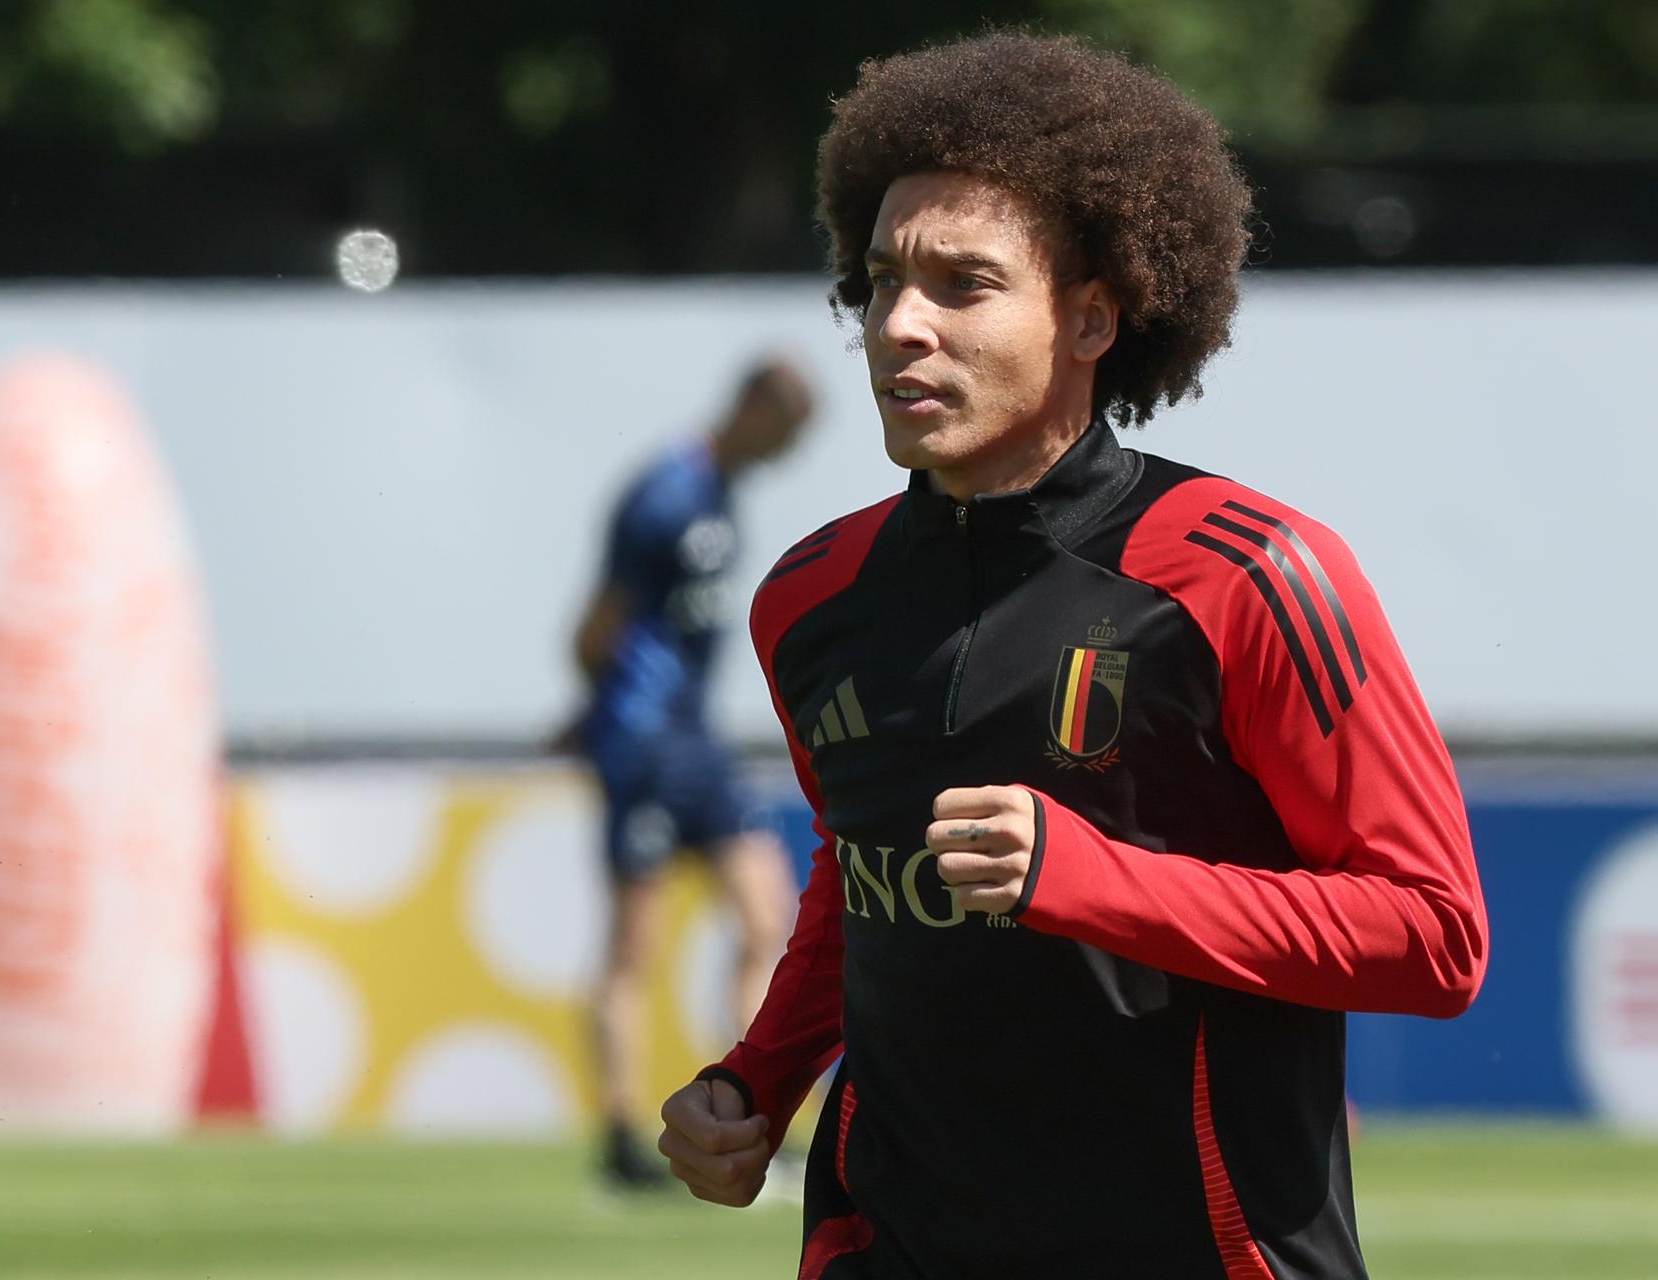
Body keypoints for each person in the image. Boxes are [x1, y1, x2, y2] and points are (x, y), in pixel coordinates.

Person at [656, 32, 1488, 1278]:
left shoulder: (1253, 575)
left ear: (1093, 314)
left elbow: (1434, 935)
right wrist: (758, 1076)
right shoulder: (810, 599)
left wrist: (1096, 881)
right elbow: (867, 875)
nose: (900, 325)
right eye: (881, 279)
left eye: (963, 283)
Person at [570, 357, 815, 1190]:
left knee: (763, 915)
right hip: (642, 744)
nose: (785, 455)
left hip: (697, 744)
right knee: (634, 943)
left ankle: (758, 1120)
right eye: (783, 435)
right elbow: (594, 632)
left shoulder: (717, 492)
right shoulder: (664, 493)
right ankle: (620, 1141)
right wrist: (601, 721)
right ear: (751, 408)